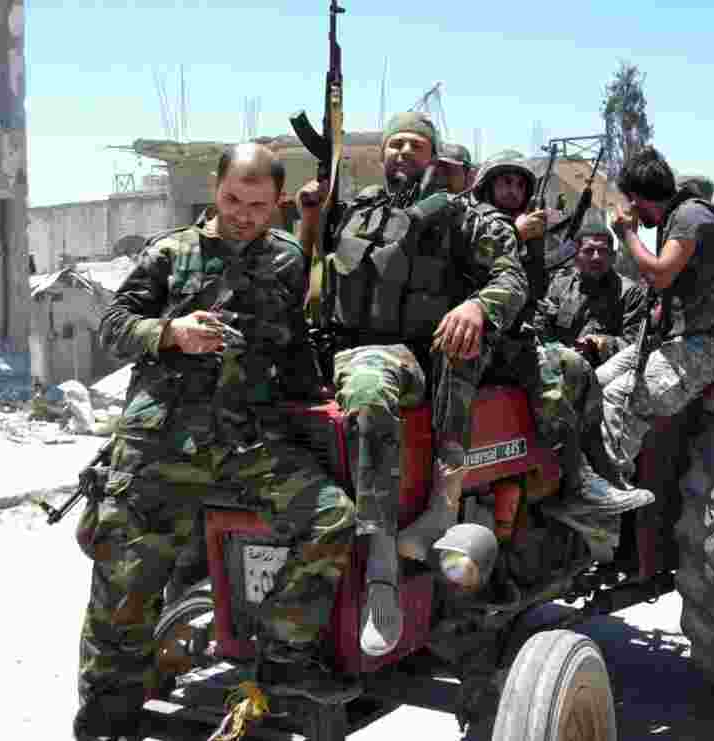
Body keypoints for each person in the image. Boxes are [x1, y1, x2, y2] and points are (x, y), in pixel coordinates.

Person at [76, 144, 356, 741]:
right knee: (127, 578)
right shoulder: (169, 253)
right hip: (160, 447)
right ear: (216, 187)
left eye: (257, 205)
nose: (243, 215)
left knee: (332, 520)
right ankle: (110, 705)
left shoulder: (284, 260)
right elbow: (113, 329)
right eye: (233, 199)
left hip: (245, 448)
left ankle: (283, 656)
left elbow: (292, 348)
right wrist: (170, 332)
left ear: (277, 202)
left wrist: (324, 399)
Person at [296, 112, 528, 657]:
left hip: (406, 356)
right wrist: (309, 215)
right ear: (382, 154)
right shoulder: (352, 211)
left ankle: (381, 571)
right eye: (395, 143)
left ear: (433, 157)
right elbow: (299, 269)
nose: (403, 152)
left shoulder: (461, 216)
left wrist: (476, 305)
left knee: (373, 386)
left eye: (415, 146)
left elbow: (511, 278)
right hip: (334, 346)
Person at [467, 151, 654, 560]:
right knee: (567, 368)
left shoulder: (627, 291)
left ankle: (587, 483)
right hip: (485, 339)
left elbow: (633, 341)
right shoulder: (475, 221)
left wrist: (600, 344)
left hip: (586, 360)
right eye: (505, 183)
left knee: (582, 374)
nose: (594, 257)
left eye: (519, 184)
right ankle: (575, 482)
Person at [598, 146, 714, 479]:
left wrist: (628, 234)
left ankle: (610, 500)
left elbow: (660, 273)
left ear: (634, 198)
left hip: (710, 345)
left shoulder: (691, 216)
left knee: (620, 397)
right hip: (679, 342)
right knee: (595, 382)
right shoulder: (676, 219)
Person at [535, 220, 647, 367]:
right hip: (557, 365)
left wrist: (602, 344)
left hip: (602, 373)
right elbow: (540, 324)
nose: (596, 257)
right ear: (576, 257)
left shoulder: (630, 293)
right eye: (589, 251)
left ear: (613, 257)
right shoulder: (559, 284)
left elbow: (635, 344)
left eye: (603, 251)